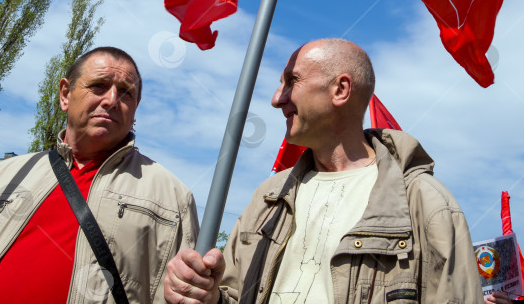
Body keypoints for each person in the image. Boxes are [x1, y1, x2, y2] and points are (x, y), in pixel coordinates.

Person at [165, 38, 483, 304]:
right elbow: (232, 295)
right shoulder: (269, 197)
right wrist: (208, 297)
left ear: (340, 90)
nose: (277, 99)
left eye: (292, 81)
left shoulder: (426, 204)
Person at [0, 46, 198, 304]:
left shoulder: (172, 198)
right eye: (99, 86)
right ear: (65, 94)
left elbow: (183, 296)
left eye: (126, 93)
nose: (112, 100)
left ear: (135, 106)